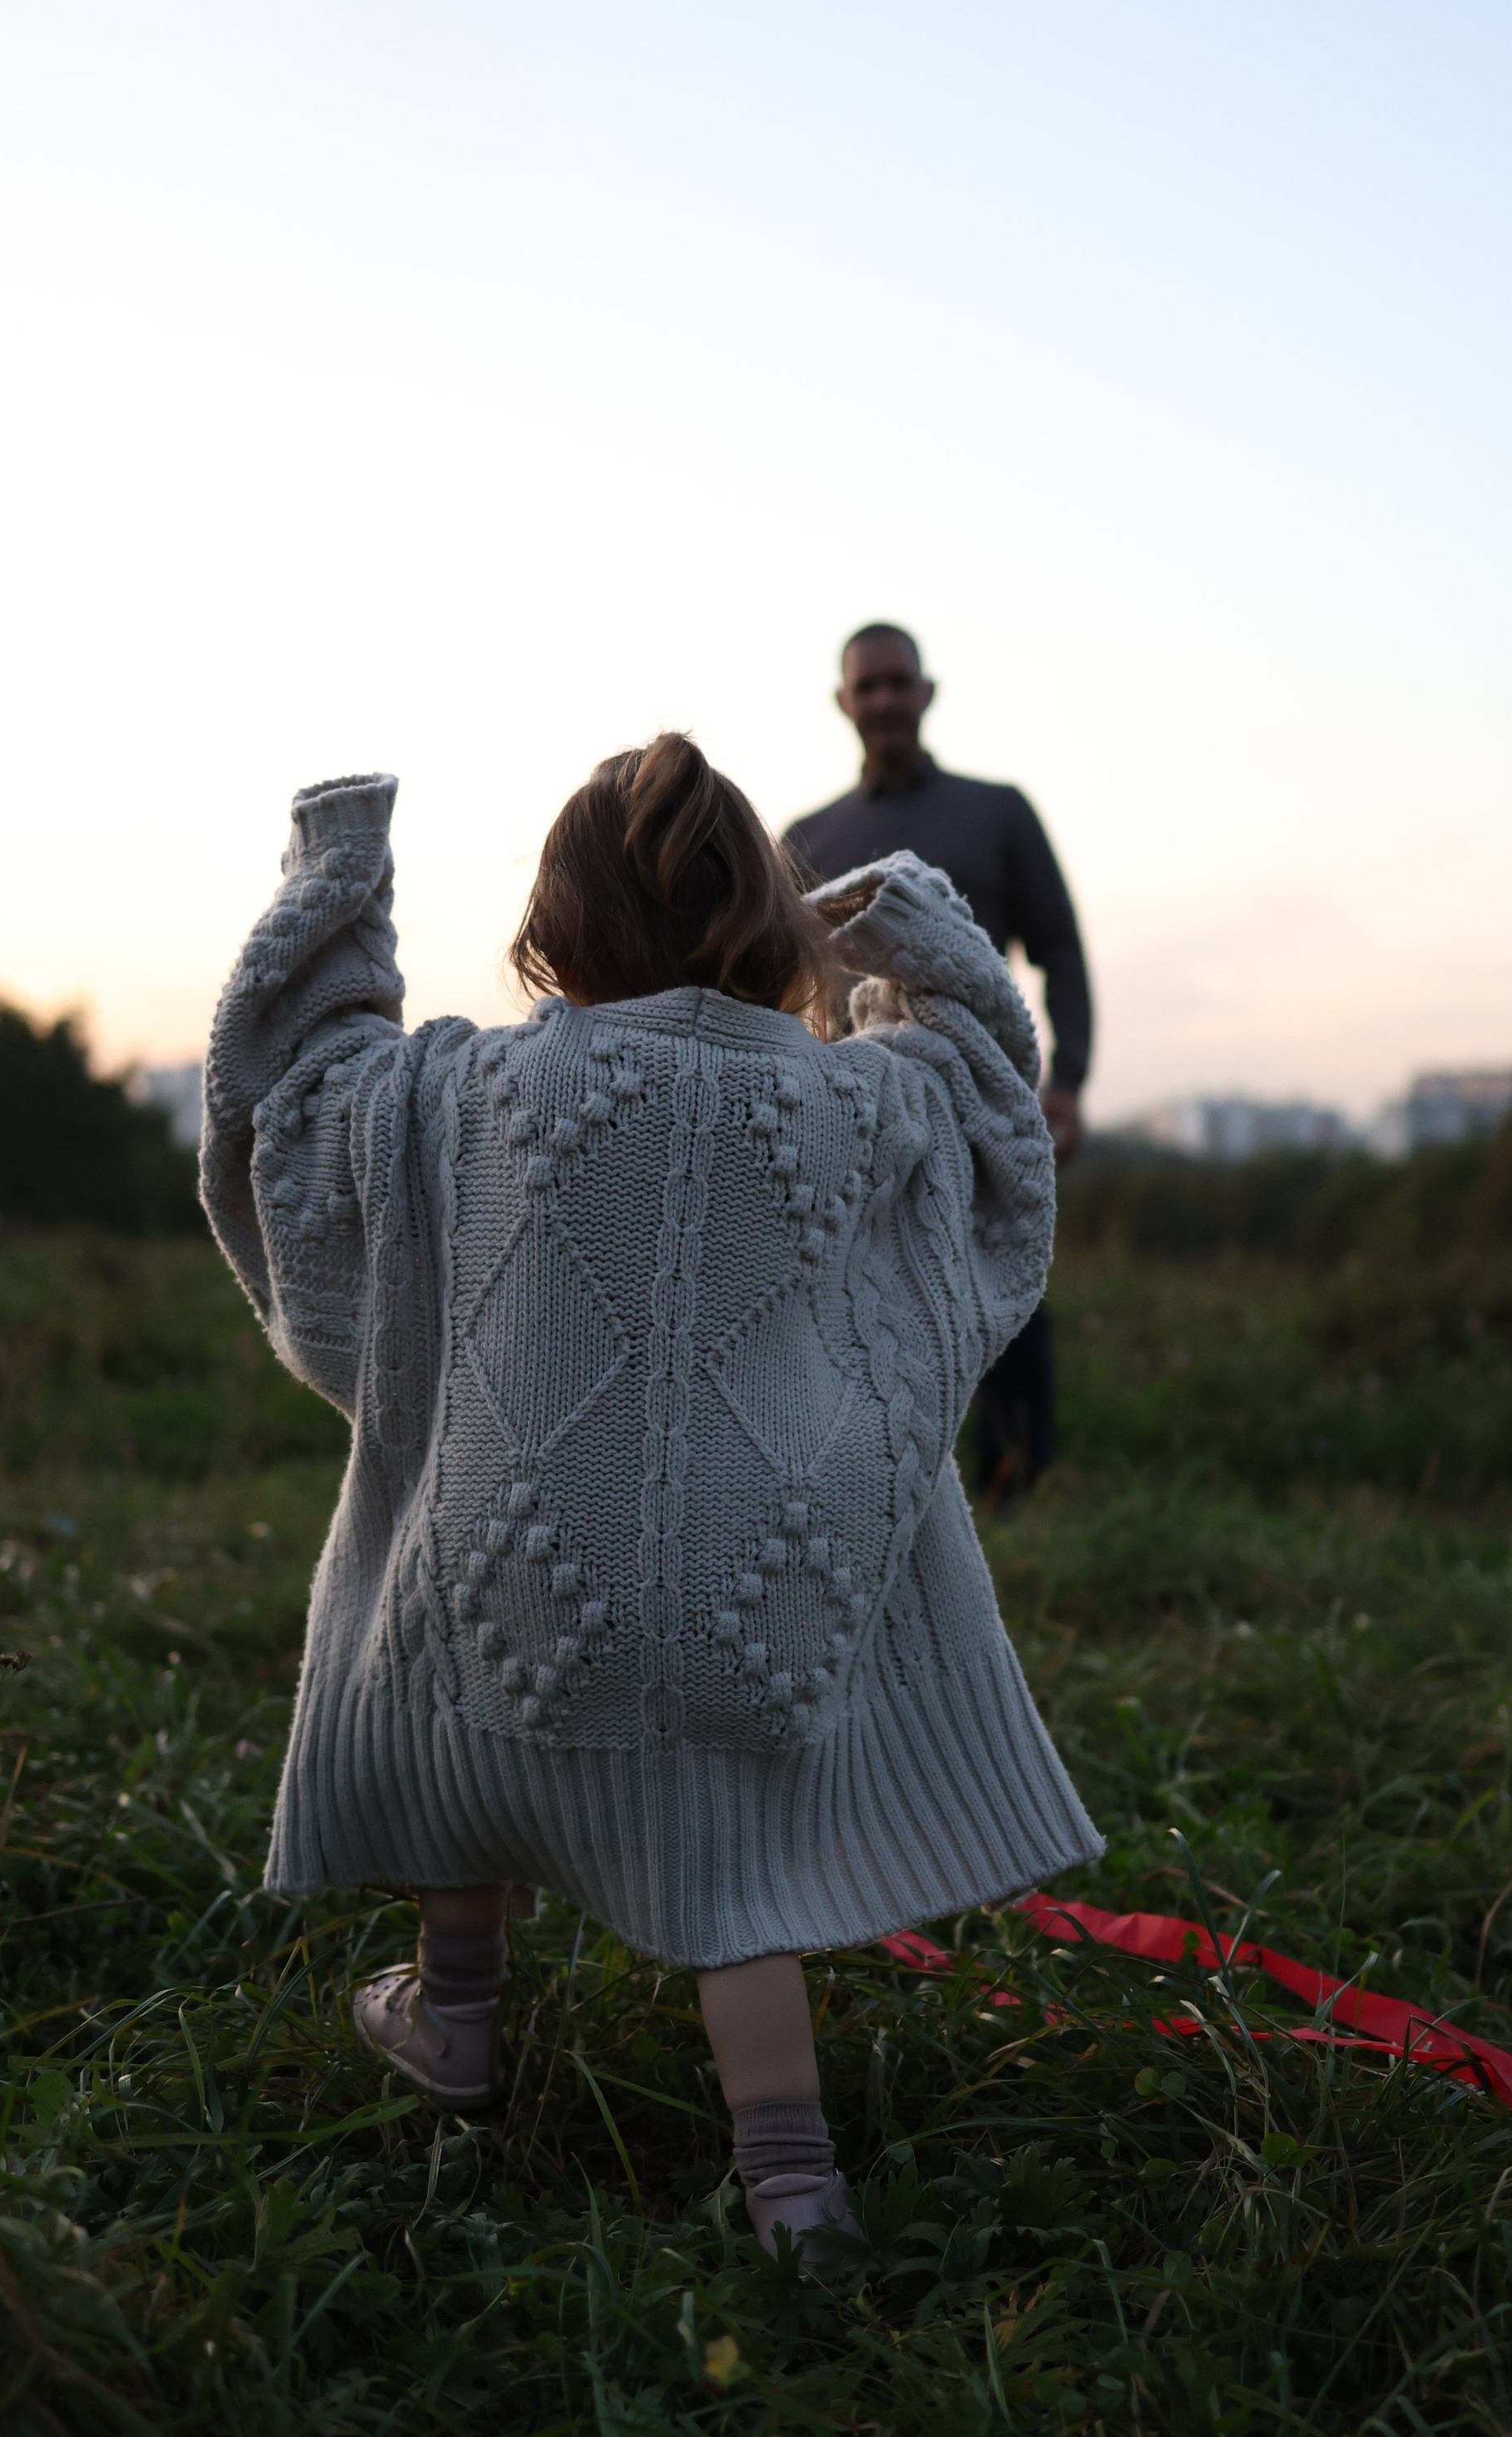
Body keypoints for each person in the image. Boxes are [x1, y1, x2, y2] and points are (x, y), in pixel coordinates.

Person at [199, 736, 1103, 2265]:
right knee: (733, 1881)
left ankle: (456, 2019)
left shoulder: (463, 1090)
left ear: (553, 929)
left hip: (514, 1566)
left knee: (450, 1731)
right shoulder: (851, 1103)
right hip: (762, 1590)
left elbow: (293, 1091)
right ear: (771, 916)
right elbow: (992, 1105)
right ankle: (794, 2182)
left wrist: (340, 878)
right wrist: (908, 929)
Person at [783, 623, 1091, 1504]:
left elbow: (1061, 951)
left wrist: (1066, 1084)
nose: (882, 700)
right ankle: (873, 1487)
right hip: (848, 1110)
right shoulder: (807, 834)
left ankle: (1017, 1488)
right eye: (866, 687)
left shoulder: (997, 812)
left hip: (979, 1098)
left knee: (1000, 1284)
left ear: (926, 693)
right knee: (855, 1305)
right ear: (844, 703)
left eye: (896, 684)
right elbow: (774, 982)